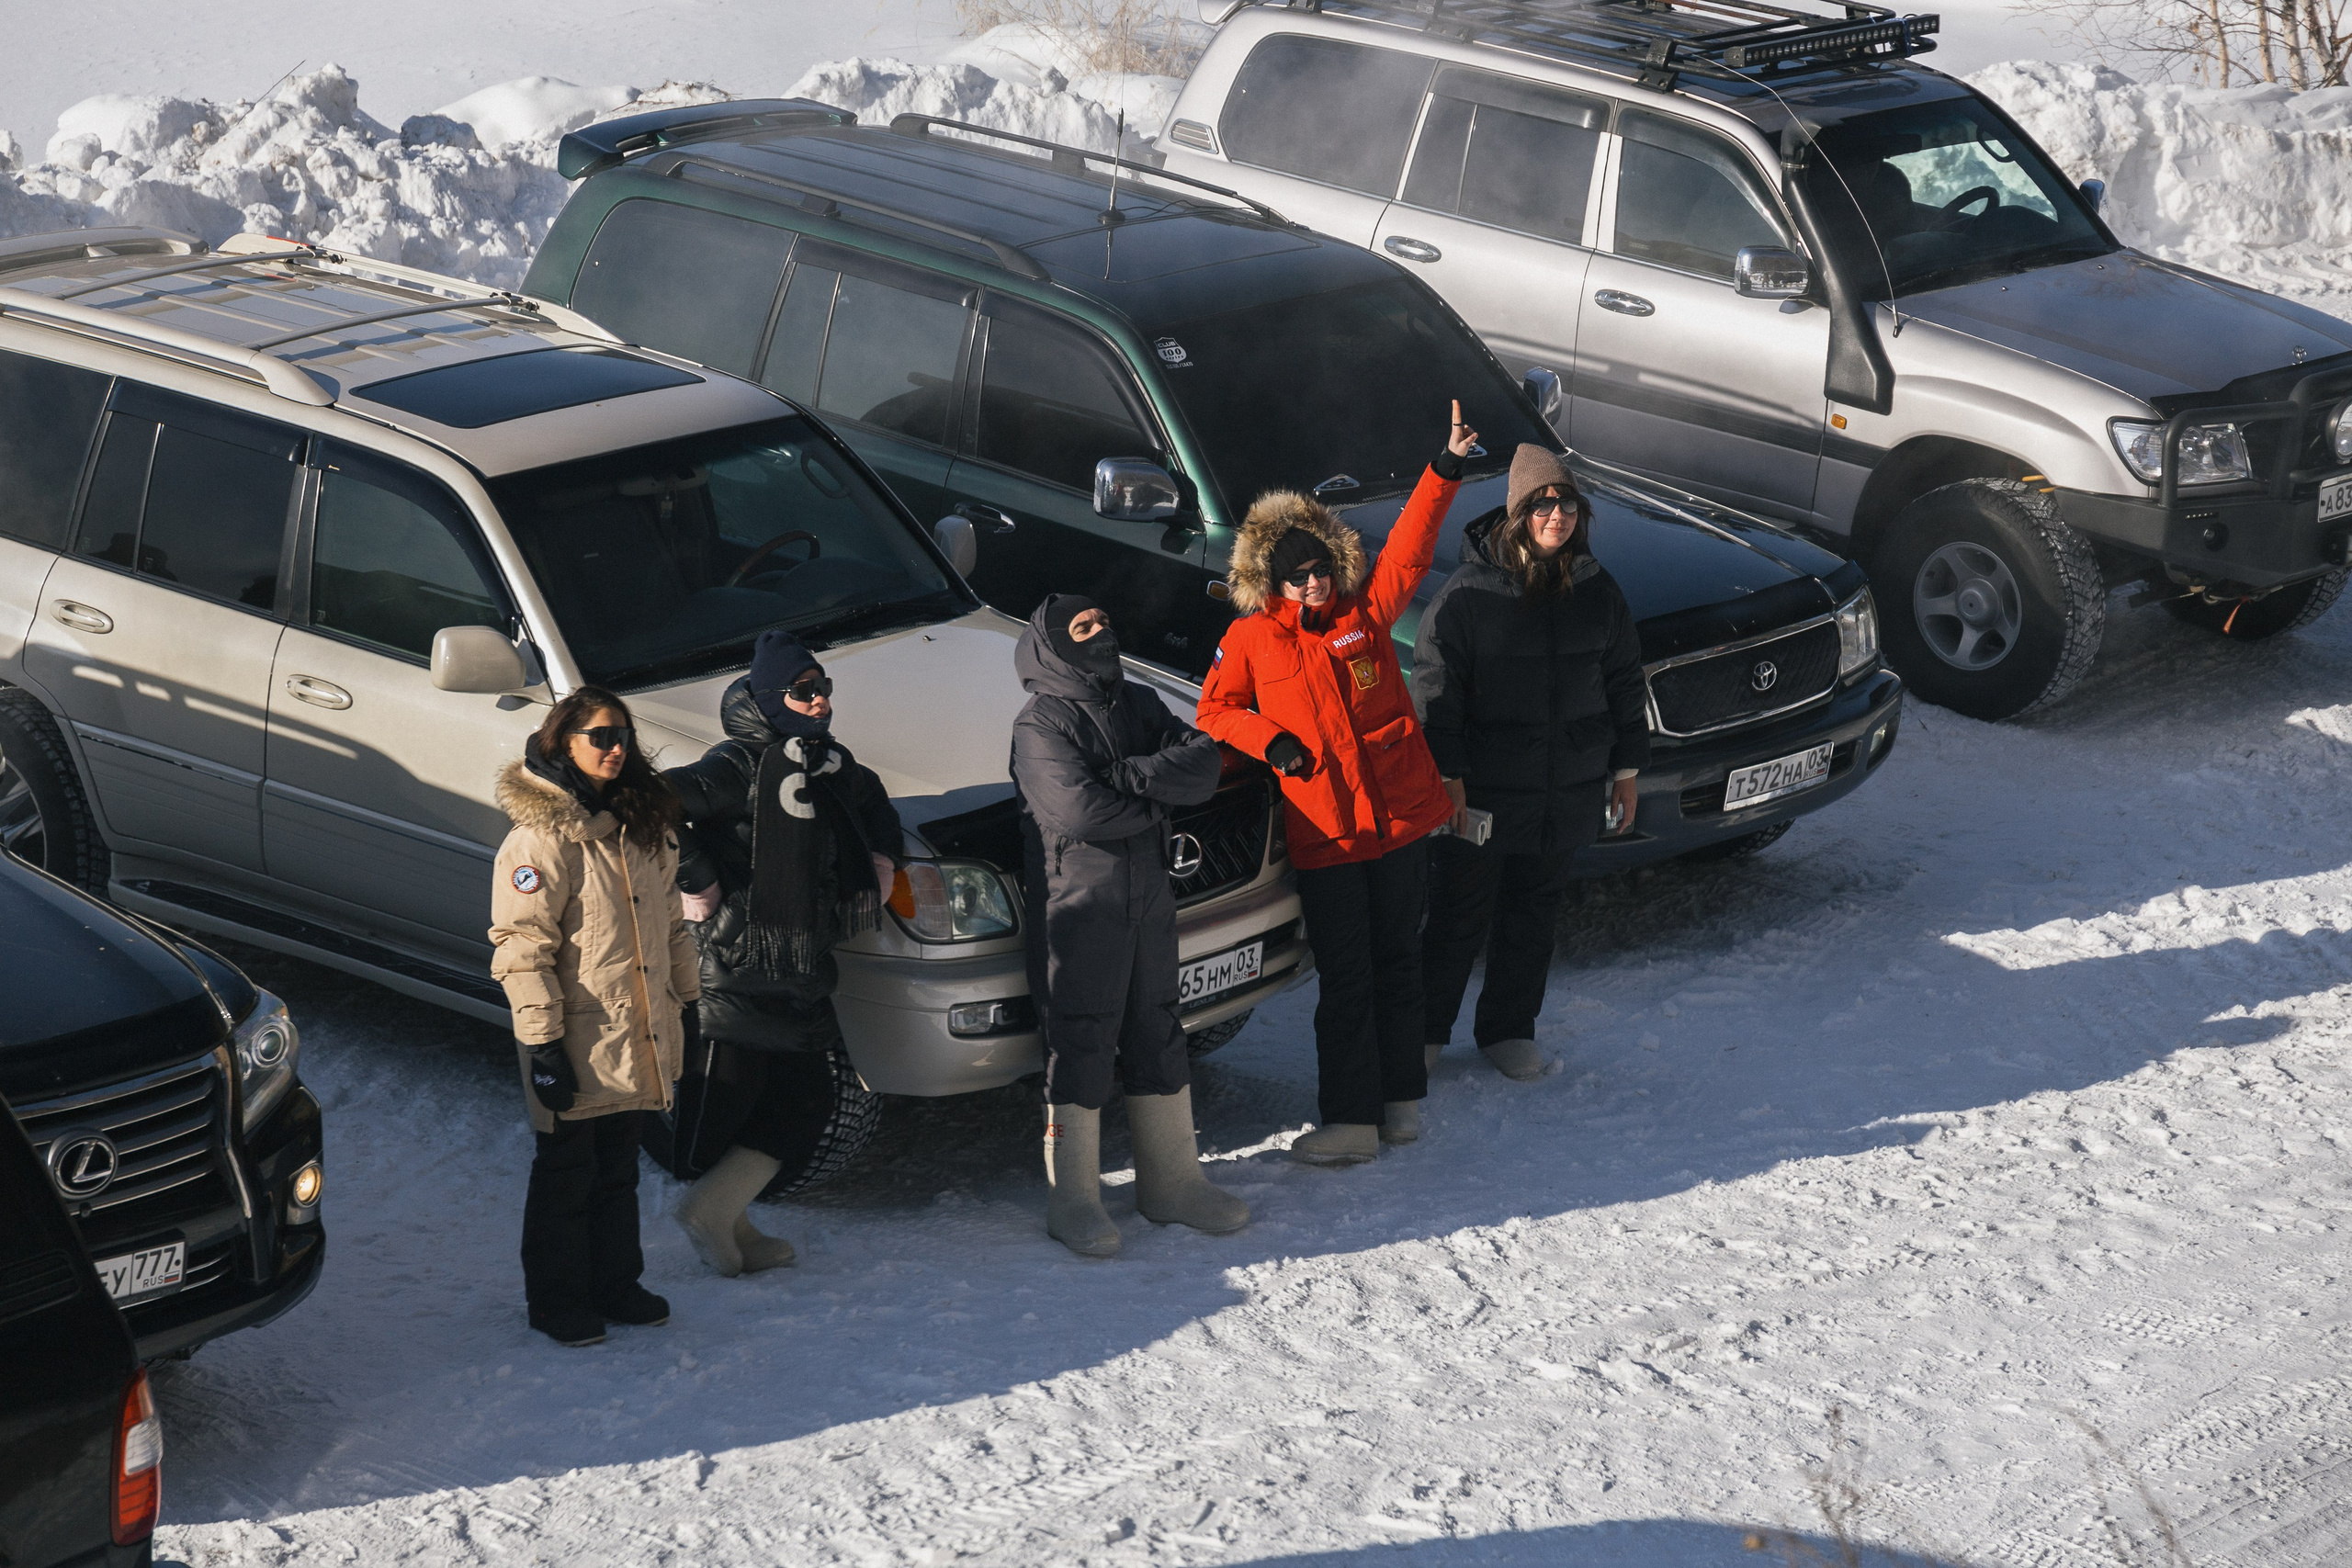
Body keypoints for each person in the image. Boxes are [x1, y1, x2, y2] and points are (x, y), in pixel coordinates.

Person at [1196, 402, 1478, 1165]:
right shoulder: (1250, 638)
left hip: (1396, 822)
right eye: (1300, 577)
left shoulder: (1365, 611)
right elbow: (1215, 708)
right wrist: (1273, 740)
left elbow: (1413, 554)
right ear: (1274, 583)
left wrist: (1443, 469)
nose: (1316, 585)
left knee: (1400, 960)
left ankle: (1400, 1104)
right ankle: (1350, 1119)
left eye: (1322, 570)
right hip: (1325, 833)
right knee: (1346, 976)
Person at [659, 629, 903, 1277]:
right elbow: (651, 807)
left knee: (803, 1108)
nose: (820, 700)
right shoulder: (737, 765)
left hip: (801, 965)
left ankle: (719, 1213)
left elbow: (875, 800)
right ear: (771, 698)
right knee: (726, 1114)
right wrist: (700, 878)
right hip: (737, 968)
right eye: (804, 691)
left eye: (823, 687)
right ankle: (717, 1213)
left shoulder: (830, 764)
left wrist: (882, 862)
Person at [1011, 593, 1246, 1256]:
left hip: (1149, 897)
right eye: (1084, 627)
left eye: (1106, 622)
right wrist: (1155, 803)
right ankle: (1075, 1198)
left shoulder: (1136, 701)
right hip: (1081, 906)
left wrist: (1131, 776)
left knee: (1159, 1025)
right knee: (1081, 1038)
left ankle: (1172, 1181)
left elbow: (1204, 764)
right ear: (1054, 643)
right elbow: (1082, 813)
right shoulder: (1040, 725)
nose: (1101, 634)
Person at [1414, 446, 1648, 1081]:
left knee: (1534, 913)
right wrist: (1449, 777)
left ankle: (1509, 1028)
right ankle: (1424, 1034)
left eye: (1567, 503)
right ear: (1518, 514)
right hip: (1483, 793)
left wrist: (1626, 770)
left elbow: (1626, 682)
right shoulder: (1467, 597)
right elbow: (1436, 691)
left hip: (1561, 791)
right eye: (1543, 504)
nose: (1557, 515)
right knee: (1459, 914)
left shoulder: (1597, 590)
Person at [491, 687, 699, 1348]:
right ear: (563, 744)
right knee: (566, 1168)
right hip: (571, 1033)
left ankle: (617, 1283)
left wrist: (689, 1006)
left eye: (622, 736)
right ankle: (555, 1299)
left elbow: (672, 927)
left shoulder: (644, 823)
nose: (615, 748)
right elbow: (522, 950)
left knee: (619, 1164)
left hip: (636, 1027)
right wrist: (543, 1044)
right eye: (600, 736)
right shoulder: (539, 840)